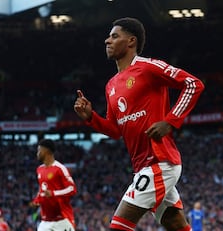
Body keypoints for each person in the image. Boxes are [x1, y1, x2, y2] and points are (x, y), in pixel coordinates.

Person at [74, 17, 205, 231]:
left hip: (159, 161)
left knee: (118, 226)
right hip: (142, 166)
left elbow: (193, 84)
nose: (107, 40)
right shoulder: (111, 86)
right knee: (176, 225)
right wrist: (91, 117)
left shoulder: (148, 67)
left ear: (131, 41)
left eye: (114, 36)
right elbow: (116, 130)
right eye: (108, 36)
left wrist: (169, 122)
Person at [31, 139, 77, 231]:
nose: (37, 153)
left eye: (39, 150)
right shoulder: (39, 169)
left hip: (62, 219)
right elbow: (42, 188)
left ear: (47, 151)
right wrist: (37, 200)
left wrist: (54, 193)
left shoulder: (60, 168)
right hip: (45, 221)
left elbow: (72, 189)